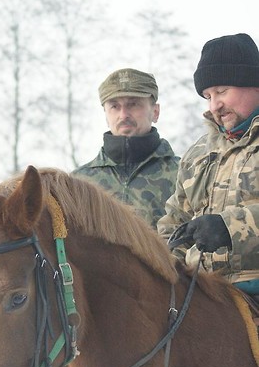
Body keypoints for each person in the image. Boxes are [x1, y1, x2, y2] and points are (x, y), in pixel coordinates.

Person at [157, 33, 259, 295]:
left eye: (222, 91)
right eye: (208, 96)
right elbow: (175, 220)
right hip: (203, 295)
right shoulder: (198, 153)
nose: (216, 105)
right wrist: (158, 261)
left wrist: (229, 228)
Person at [72, 67, 179, 228]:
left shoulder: (183, 176)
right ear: (106, 114)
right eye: (114, 106)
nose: (123, 115)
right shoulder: (79, 183)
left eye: (133, 104)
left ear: (155, 112)